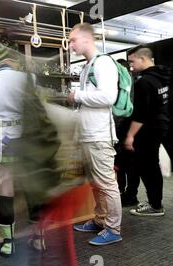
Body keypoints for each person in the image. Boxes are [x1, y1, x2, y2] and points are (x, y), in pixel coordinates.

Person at [0, 41, 60, 255]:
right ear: (13, 58)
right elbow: (37, 110)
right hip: (25, 137)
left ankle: (7, 244)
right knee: (33, 187)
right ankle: (39, 239)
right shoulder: (29, 78)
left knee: (4, 187)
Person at [68, 23, 122, 246]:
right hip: (87, 135)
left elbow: (109, 97)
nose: (70, 45)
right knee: (95, 182)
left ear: (87, 39)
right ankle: (100, 220)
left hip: (100, 135)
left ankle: (113, 228)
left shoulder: (104, 63)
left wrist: (78, 96)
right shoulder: (87, 66)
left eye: (72, 40)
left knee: (107, 183)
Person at [125, 45, 171, 217]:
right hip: (162, 124)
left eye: (132, 61)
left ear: (143, 58)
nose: (130, 66)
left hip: (150, 128)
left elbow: (141, 113)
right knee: (151, 165)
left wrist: (130, 135)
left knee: (148, 167)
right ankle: (155, 202)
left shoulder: (144, 81)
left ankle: (155, 205)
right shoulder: (162, 75)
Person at [114, 59, 140, 207]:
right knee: (123, 166)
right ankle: (124, 193)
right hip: (124, 131)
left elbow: (128, 111)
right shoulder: (126, 85)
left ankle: (130, 195)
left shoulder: (130, 86)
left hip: (128, 132)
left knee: (129, 167)